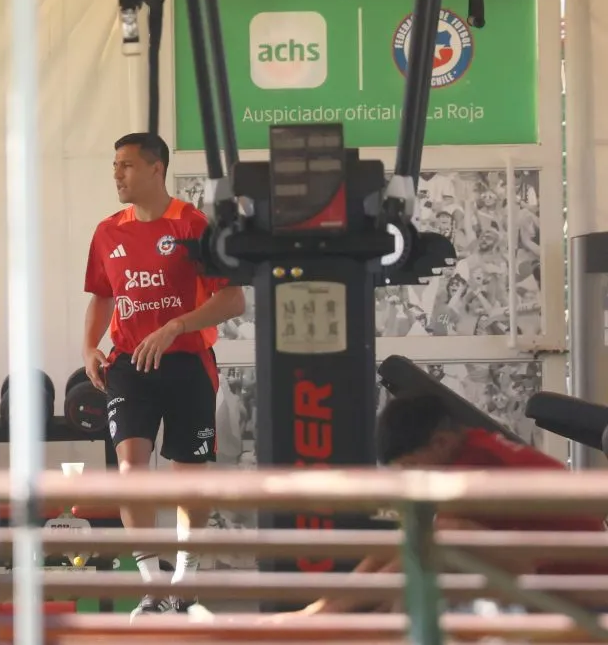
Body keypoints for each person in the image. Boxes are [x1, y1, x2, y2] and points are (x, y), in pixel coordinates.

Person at [81, 132, 245, 617]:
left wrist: (176, 326)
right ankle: (152, 585)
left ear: (157, 169)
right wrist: (89, 346)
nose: (117, 174)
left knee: (187, 477)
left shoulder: (195, 225)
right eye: (114, 165)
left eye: (127, 166)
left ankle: (185, 582)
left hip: (188, 362)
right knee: (131, 469)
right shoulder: (108, 230)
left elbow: (232, 299)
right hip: (129, 364)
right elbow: (102, 297)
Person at [290, 392, 608, 616]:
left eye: (413, 468)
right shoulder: (468, 447)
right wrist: (324, 606)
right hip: (545, 576)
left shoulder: (475, 466)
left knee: (444, 537)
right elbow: (398, 545)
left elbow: (420, 546)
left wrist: (330, 612)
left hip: (581, 593)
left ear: (440, 443)